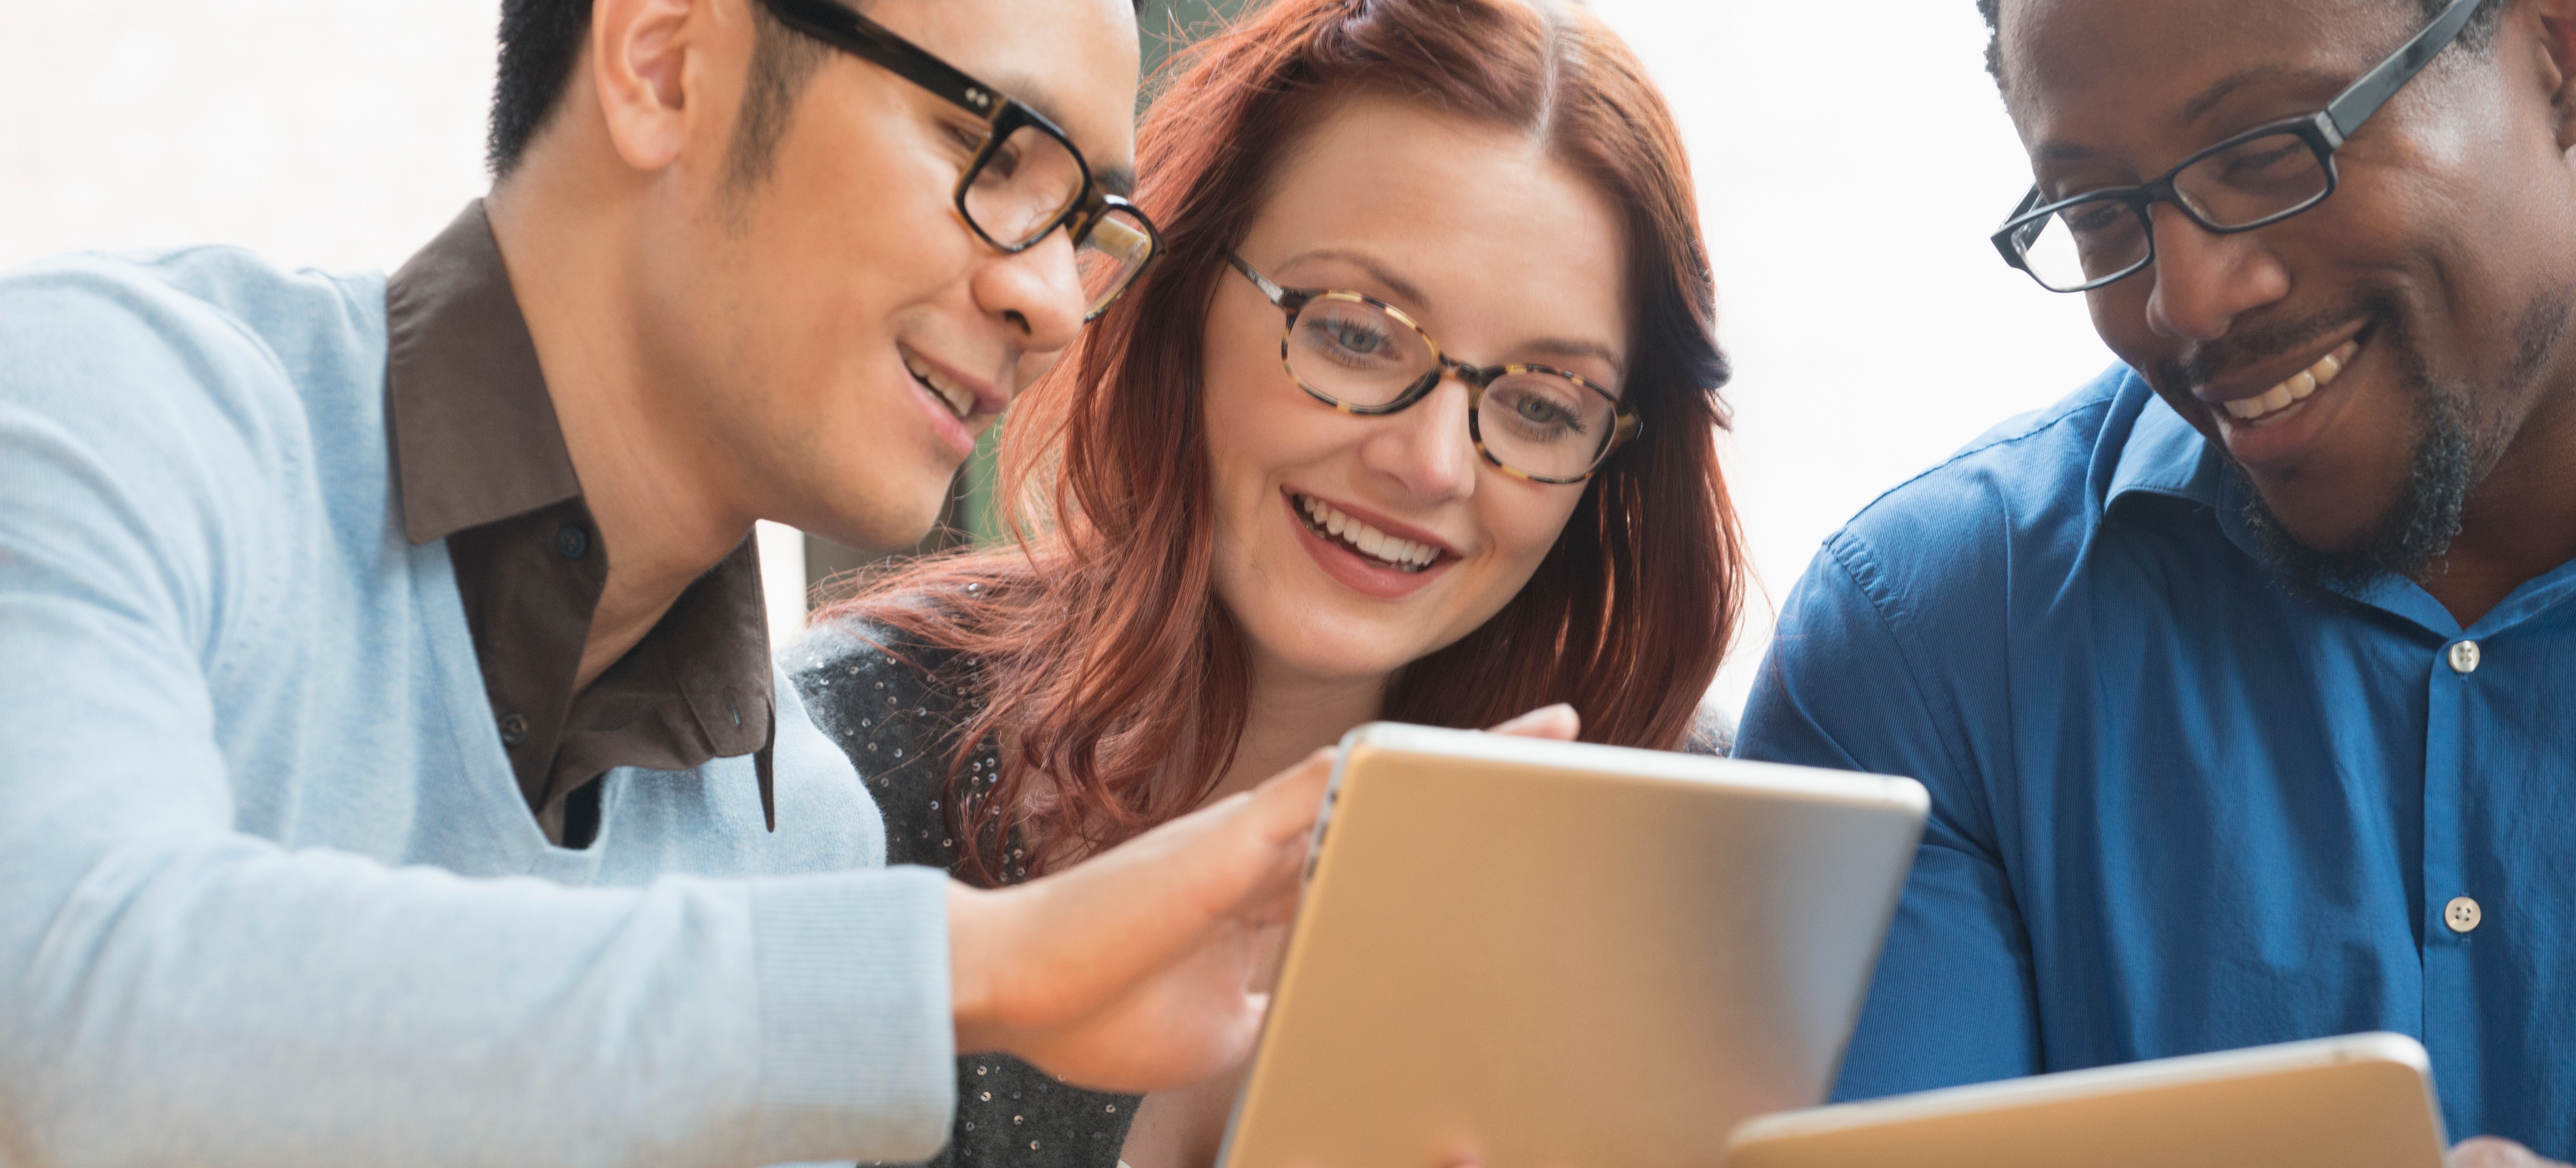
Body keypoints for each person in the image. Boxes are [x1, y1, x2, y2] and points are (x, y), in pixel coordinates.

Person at [0, 0, 1391, 1163]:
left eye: (1084, 223)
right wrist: (981, 966)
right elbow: (60, 1013)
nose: (1054, 305)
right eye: (989, 148)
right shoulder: (107, 409)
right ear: (663, 62)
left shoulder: (801, 838)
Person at [788, 0, 1745, 1163]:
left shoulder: (1677, 825)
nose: (1431, 465)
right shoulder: (836, 755)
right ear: (1184, 294)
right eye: (1357, 334)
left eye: (1541, 406)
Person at [1735, 0, 2576, 1163]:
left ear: (2554, 56)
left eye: (2269, 150)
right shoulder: (1924, 645)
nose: (2184, 301)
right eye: (2095, 212)